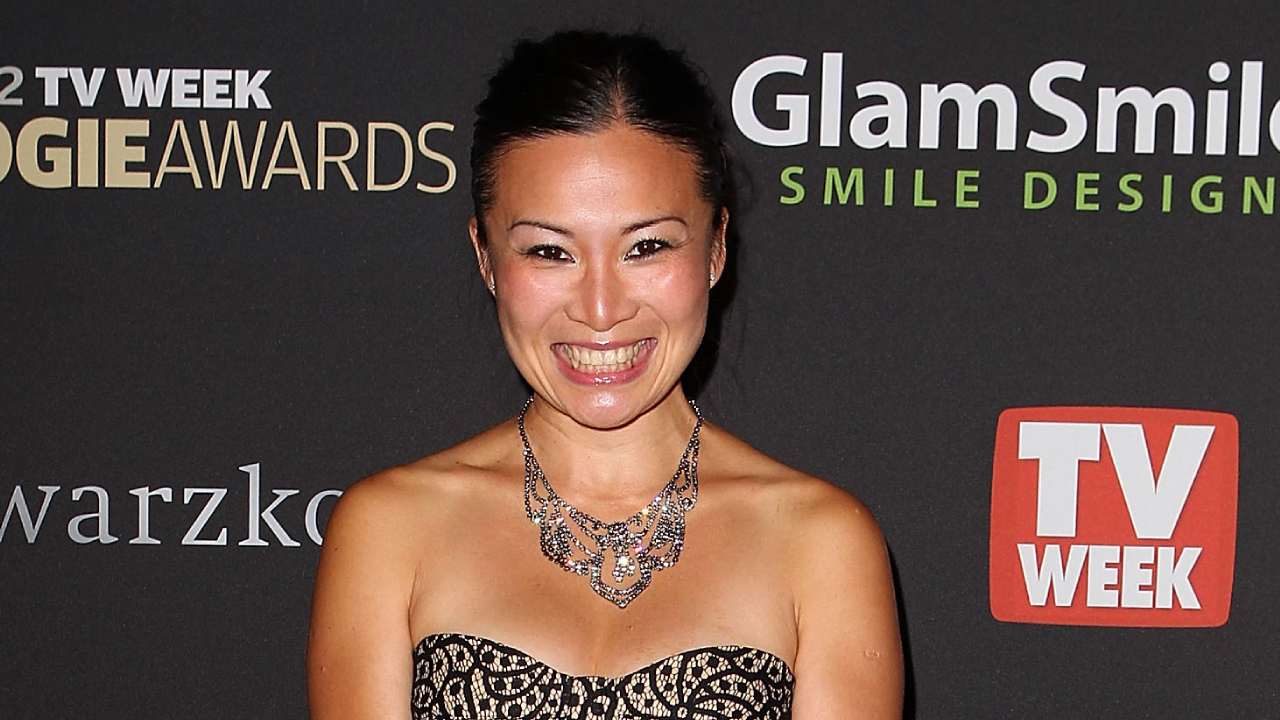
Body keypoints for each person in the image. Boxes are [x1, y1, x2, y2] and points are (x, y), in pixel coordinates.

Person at [307, 28, 903, 720]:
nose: (599, 309)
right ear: (485, 257)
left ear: (715, 248)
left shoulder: (820, 543)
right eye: (549, 252)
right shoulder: (390, 531)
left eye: (646, 247)